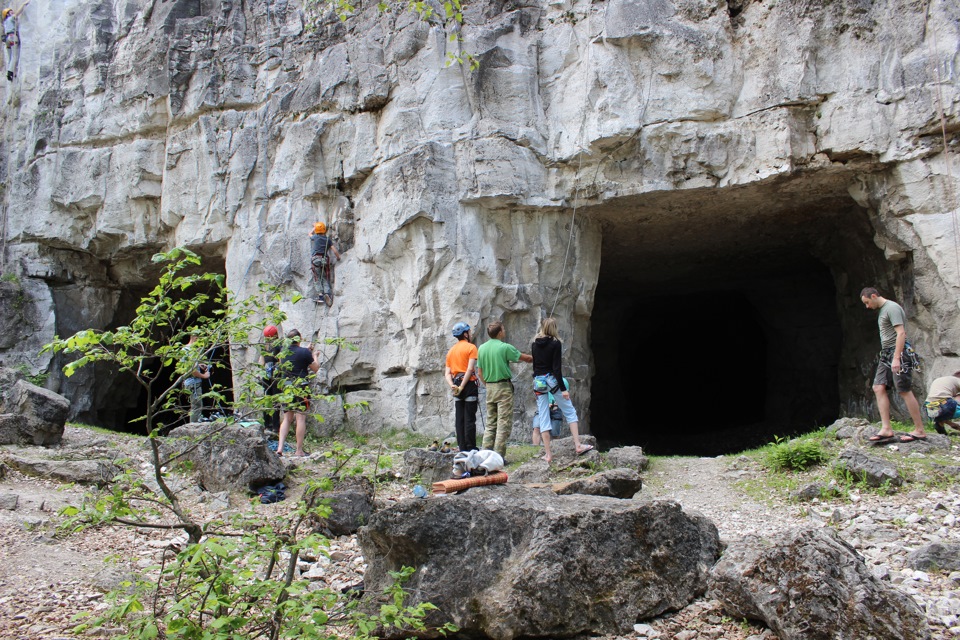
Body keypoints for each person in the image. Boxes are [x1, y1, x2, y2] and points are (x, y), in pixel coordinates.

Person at [860, 287, 927, 443]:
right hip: (886, 353)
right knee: (878, 387)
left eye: (867, 302)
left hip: (899, 352)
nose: (867, 306)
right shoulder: (883, 310)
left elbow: (901, 333)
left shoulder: (892, 308)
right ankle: (886, 428)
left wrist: (897, 358)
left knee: (903, 390)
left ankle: (919, 429)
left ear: (874, 296)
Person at [531, 318, 593, 459]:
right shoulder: (555, 343)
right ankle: (578, 445)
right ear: (554, 328)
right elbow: (556, 369)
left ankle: (548, 454)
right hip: (551, 380)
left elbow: (535, 367)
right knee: (570, 411)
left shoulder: (534, 343)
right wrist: (563, 389)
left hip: (538, 381)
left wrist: (536, 382)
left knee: (543, 418)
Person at [476, 320, 532, 459]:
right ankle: (498, 456)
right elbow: (525, 358)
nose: (505, 331)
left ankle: (484, 454)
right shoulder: (505, 347)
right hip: (503, 388)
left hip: (489, 387)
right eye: (504, 328)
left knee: (491, 422)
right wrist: (538, 356)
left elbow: (480, 372)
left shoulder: (482, 348)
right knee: (503, 423)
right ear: (500, 332)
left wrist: (487, 385)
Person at [276, 329, 320, 457]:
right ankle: (299, 450)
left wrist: (307, 351)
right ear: (299, 339)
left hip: (286, 388)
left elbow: (295, 358)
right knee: (300, 418)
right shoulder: (305, 352)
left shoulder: (283, 353)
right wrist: (314, 356)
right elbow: (315, 368)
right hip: (301, 388)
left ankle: (280, 448)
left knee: (287, 419)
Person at [444, 321, 479, 452]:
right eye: (468, 331)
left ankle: (461, 446)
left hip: (456, 383)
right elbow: (470, 369)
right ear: (465, 334)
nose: (470, 333)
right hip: (468, 384)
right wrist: (463, 386)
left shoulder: (451, 351)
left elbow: (447, 373)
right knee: (470, 417)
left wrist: (453, 385)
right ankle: (470, 447)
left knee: (460, 418)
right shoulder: (471, 348)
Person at [310, 222, 341, 305]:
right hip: (324, 259)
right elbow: (334, 250)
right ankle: (327, 294)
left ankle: (320, 296)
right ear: (324, 231)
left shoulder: (315, 237)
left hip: (315, 259)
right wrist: (338, 257)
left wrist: (314, 227)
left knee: (317, 278)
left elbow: (309, 234)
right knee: (325, 278)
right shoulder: (328, 240)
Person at [183, 334, 211, 423]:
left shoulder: (186, 350)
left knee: (196, 405)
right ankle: (193, 428)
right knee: (196, 406)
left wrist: (199, 365)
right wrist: (204, 376)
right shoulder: (189, 351)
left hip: (191, 383)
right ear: (195, 338)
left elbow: (188, 366)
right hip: (193, 383)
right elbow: (192, 371)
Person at [259, 325, 281, 433]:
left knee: (267, 399)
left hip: (266, 375)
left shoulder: (264, 347)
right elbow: (281, 361)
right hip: (276, 376)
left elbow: (261, 362)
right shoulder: (278, 346)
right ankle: (276, 427)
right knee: (276, 400)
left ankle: (267, 425)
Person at [2, 2, 25, 82]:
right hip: (13, 37)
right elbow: (17, 13)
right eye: (10, 12)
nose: (12, 12)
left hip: (8, 39)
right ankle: (10, 73)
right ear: (7, 14)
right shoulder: (11, 18)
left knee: (10, 58)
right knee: (14, 56)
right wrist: (23, 4)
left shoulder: (5, 22)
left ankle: (10, 71)